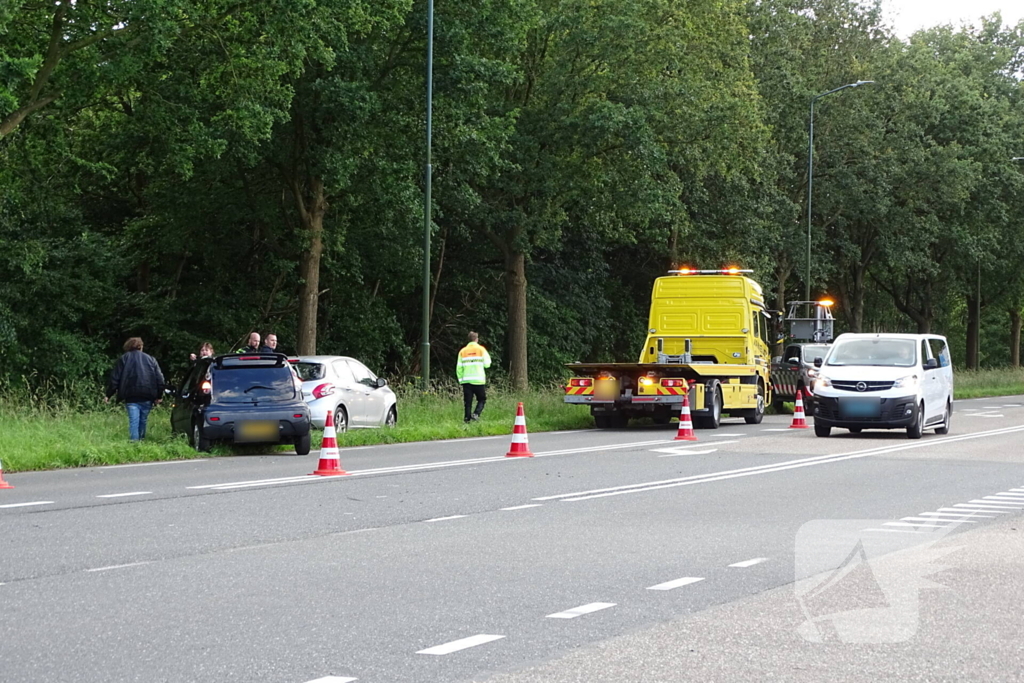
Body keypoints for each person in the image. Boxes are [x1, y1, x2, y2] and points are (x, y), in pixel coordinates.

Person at [104, 337, 166, 442]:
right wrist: (159, 396)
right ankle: (141, 441)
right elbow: (160, 379)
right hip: (148, 395)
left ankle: (134, 443)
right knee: (143, 420)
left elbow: (115, 379)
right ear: (141, 347)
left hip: (131, 395)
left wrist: (108, 394)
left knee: (134, 421)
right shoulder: (151, 359)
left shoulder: (124, 359)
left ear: (128, 346)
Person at [457, 331, 492, 423]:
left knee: (467, 402)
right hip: (478, 380)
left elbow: (459, 367)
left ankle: (467, 419)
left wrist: (461, 380)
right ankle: (476, 414)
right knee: (482, 399)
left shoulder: (463, 351)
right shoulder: (481, 349)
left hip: (466, 381)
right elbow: (487, 364)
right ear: (477, 339)